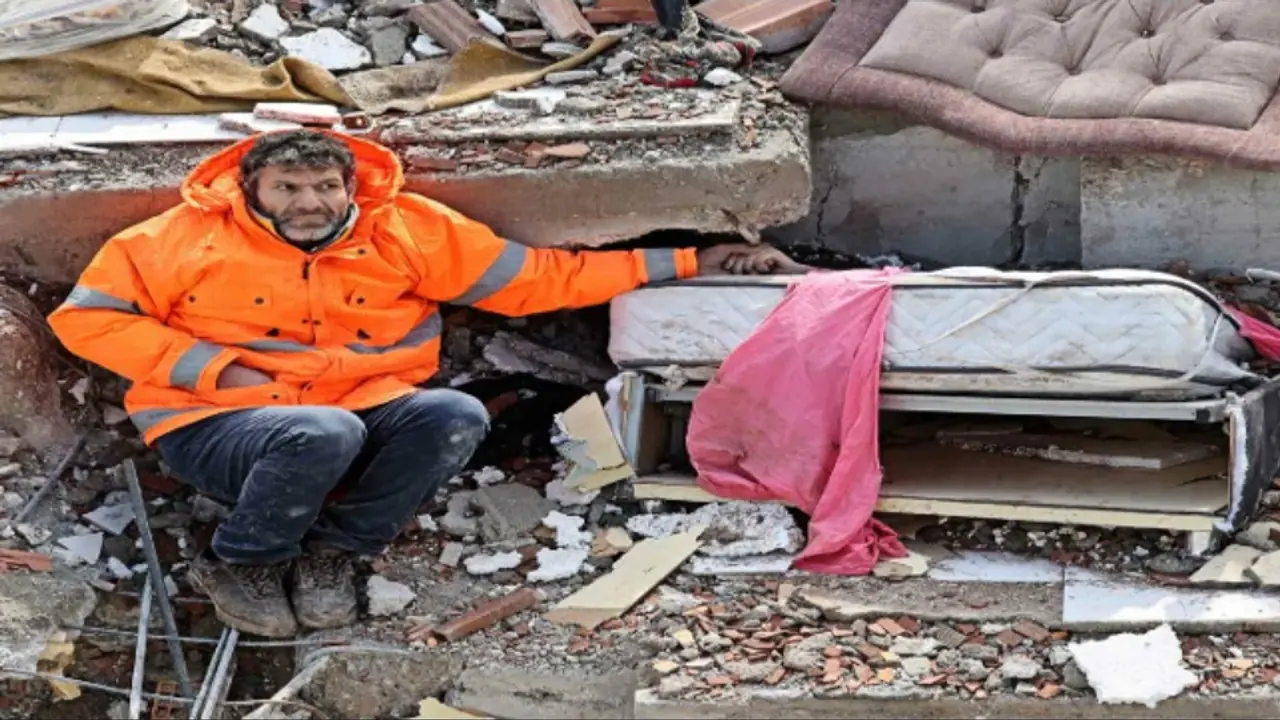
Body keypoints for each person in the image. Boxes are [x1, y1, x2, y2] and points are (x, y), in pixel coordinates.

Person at [48, 129, 804, 637]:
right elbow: (86, 321)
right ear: (250, 189)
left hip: (359, 413)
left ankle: (334, 553)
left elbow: (537, 281)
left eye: (324, 188)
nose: (308, 205)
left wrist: (692, 261)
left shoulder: (407, 228)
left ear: (350, 188)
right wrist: (218, 369)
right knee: (324, 432)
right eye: (287, 189)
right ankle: (243, 559)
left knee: (451, 413)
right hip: (213, 420)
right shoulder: (172, 239)